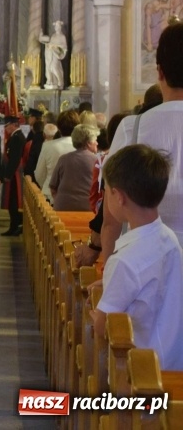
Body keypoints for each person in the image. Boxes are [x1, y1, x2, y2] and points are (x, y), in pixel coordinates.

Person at [98, 23, 183, 266]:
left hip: (144, 266)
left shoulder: (131, 128)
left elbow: (111, 218)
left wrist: (111, 275)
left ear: (159, 72)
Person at [92, 144, 183, 370]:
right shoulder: (168, 237)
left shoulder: (124, 260)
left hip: (144, 369)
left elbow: (103, 326)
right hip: (174, 356)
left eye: (108, 192)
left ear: (119, 197)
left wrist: (94, 317)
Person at [48, 124, 99, 211]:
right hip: (88, 209)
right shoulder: (97, 161)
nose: (97, 143)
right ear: (88, 143)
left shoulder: (63, 159)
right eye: (95, 140)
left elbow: (53, 187)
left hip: (62, 209)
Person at [34, 109, 80, 201]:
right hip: (75, 195)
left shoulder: (48, 146)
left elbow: (39, 174)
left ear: (58, 127)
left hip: (50, 195)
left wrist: (47, 185)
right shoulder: (80, 147)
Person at [1, 115, 27, 236]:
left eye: (7, 126)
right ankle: (14, 225)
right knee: (12, 201)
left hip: (14, 174)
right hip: (13, 173)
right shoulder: (16, 136)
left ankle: (15, 226)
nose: (5, 128)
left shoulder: (17, 137)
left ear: (13, 125)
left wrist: (8, 174)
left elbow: (15, 158)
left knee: (14, 201)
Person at [39, 20, 67, 89]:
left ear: (60, 27)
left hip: (56, 54)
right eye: (56, 27)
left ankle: (60, 81)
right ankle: (51, 81)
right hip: (50, 54)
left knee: (54, 67)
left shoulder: (62, 36)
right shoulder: (53, 36)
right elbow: (50, 42)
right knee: (50, 68)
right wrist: (49, 45)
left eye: (58, 26)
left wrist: (55, 47)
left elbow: (64, 46)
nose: (57, 28)